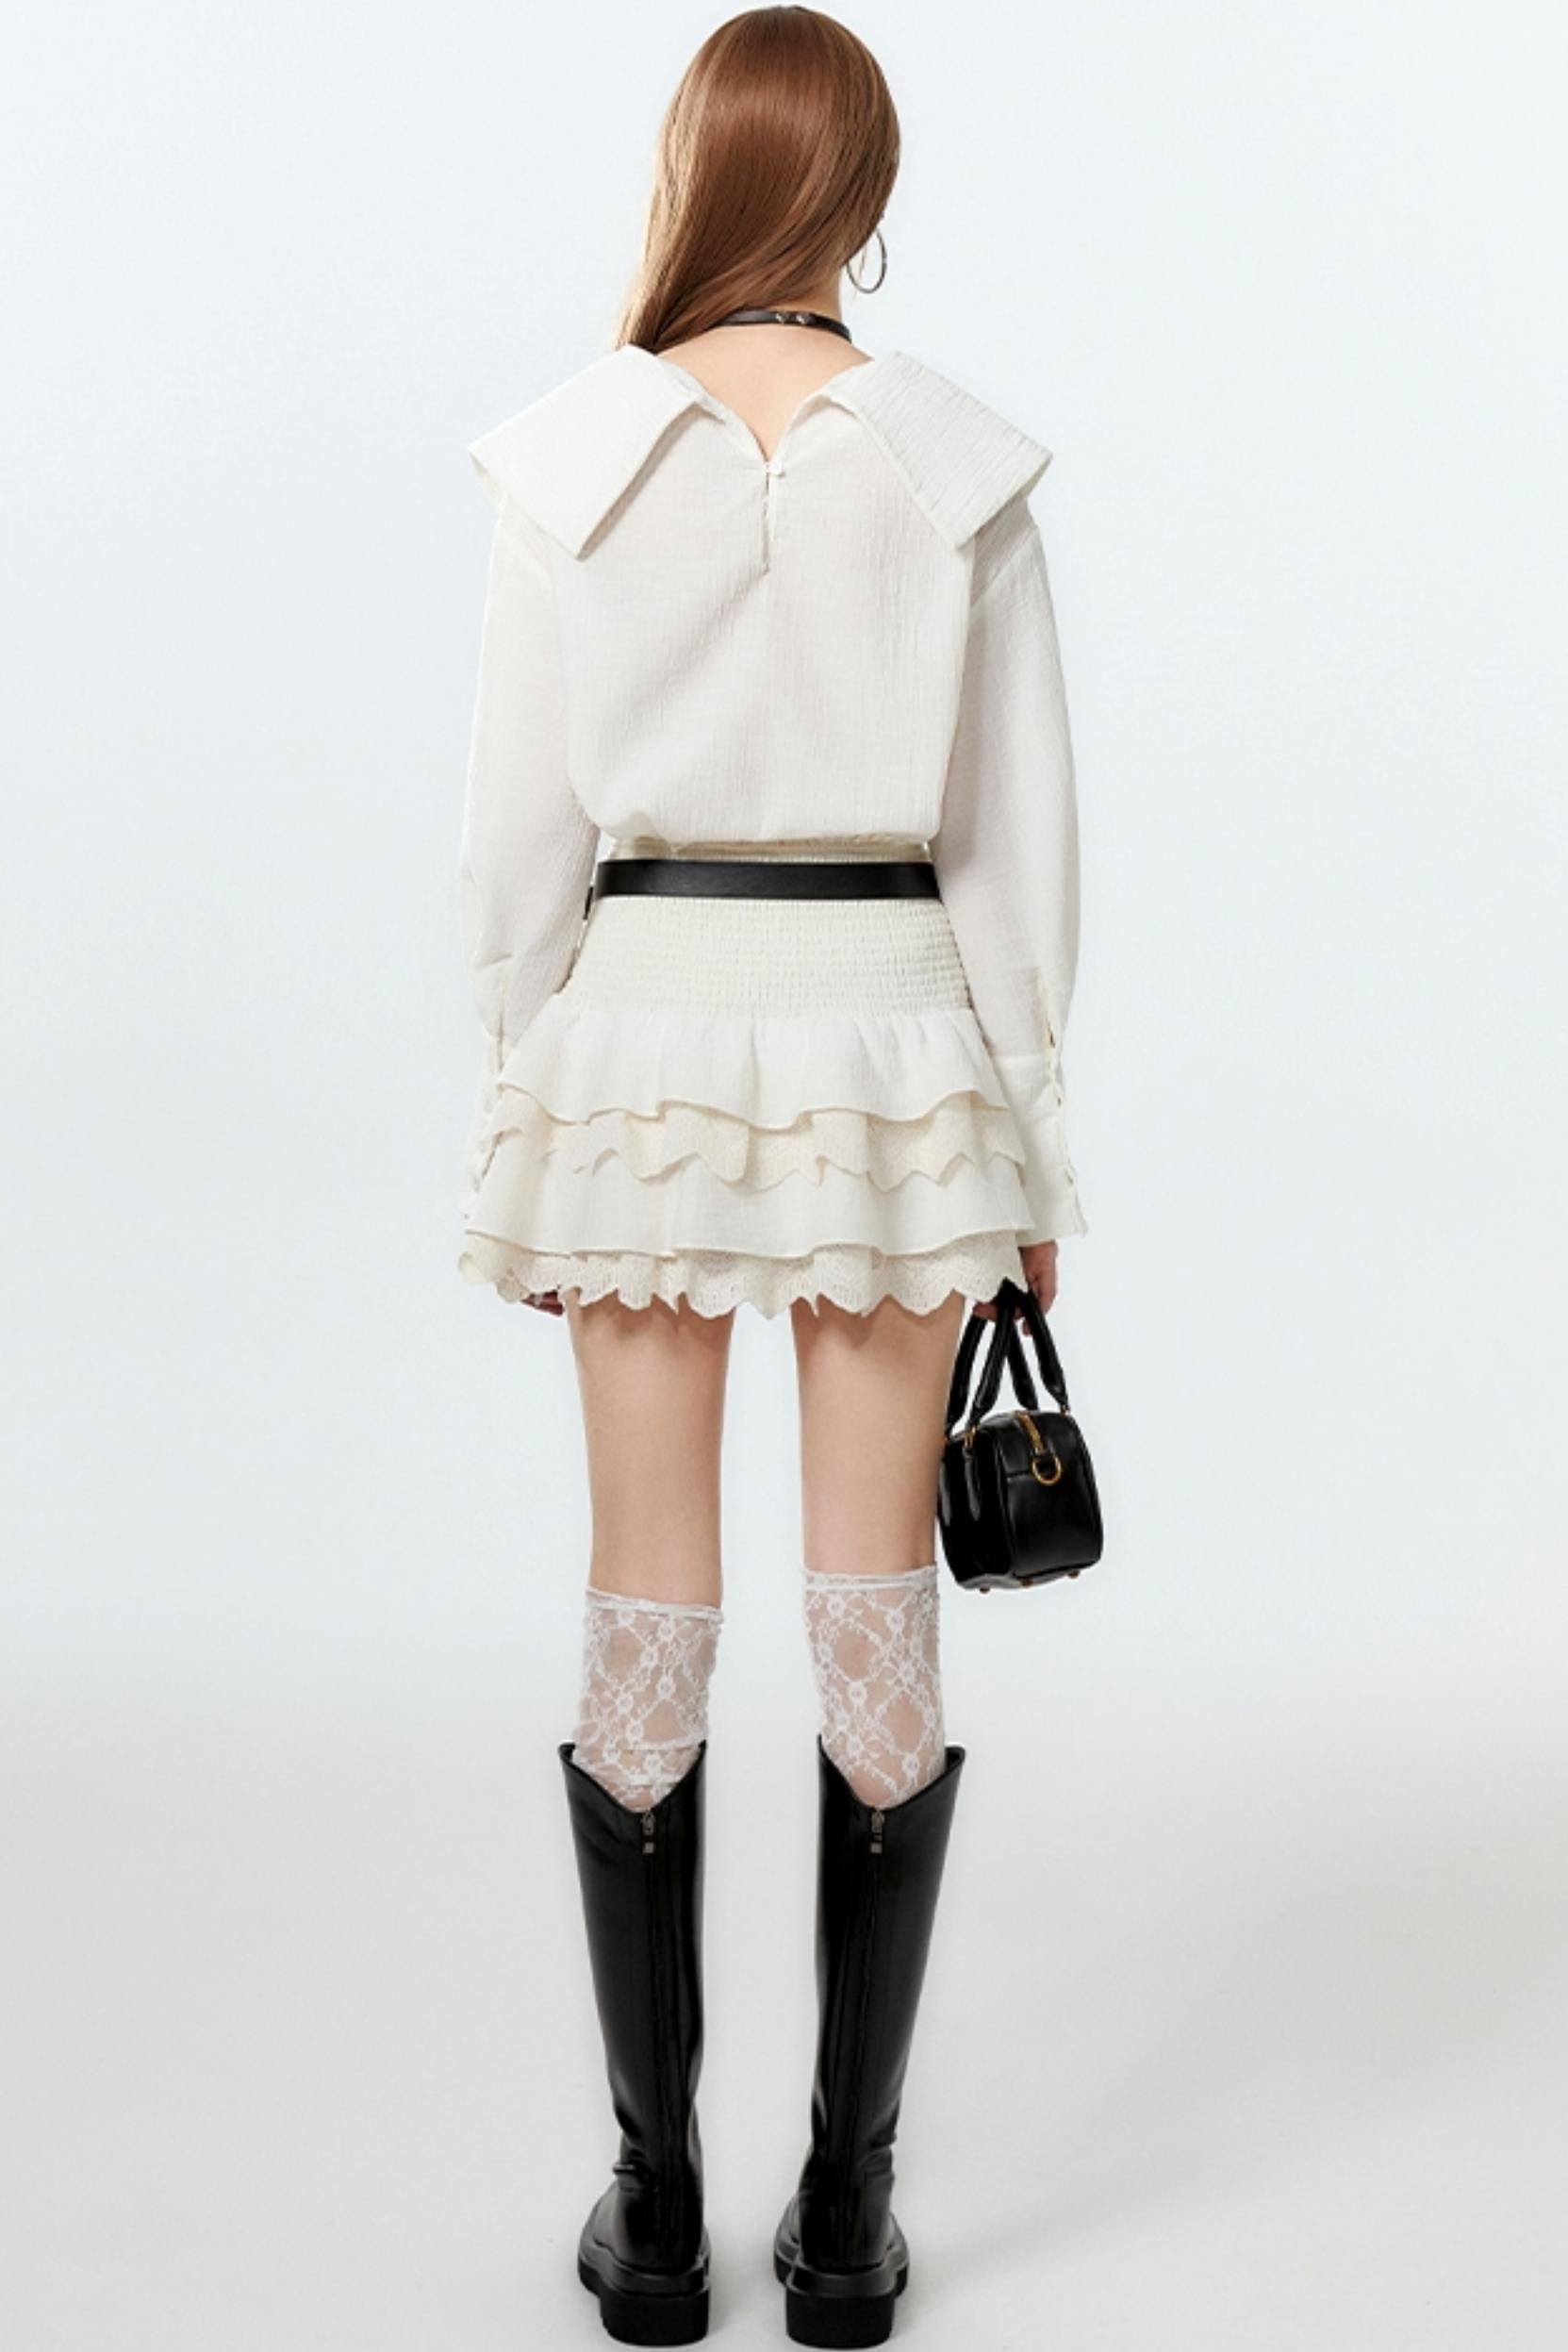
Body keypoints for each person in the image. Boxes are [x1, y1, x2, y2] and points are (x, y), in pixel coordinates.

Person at [454, 10, 1087, 2343]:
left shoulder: (568, 454)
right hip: (892, 1042)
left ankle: (651, 2208)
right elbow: (1011, 838)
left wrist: (526, 1083)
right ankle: (842, 2213)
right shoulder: (953, 460)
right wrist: (1028, 1123)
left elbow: (514, 834)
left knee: (645, 1589)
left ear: (694, 172)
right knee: (870, 1600)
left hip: (637, 1043)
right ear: (863, 191)